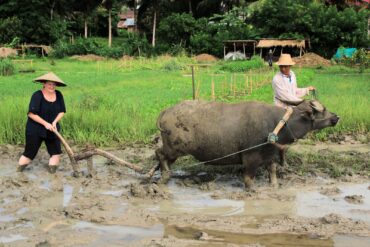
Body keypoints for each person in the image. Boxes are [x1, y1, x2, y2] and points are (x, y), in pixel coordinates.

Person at [17, 72, 67, 174]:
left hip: (53, 128)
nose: (52, 86)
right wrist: (45, 124)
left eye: (54, 84)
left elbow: (62, 111)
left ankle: (52, 175)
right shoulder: (37, 95)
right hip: (35, 128)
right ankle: (18, 172)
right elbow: (31, 114)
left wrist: (54, 122)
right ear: (44, 83)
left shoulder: (59, 95)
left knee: (56, 153)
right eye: (49, 84)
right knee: (29, 154)